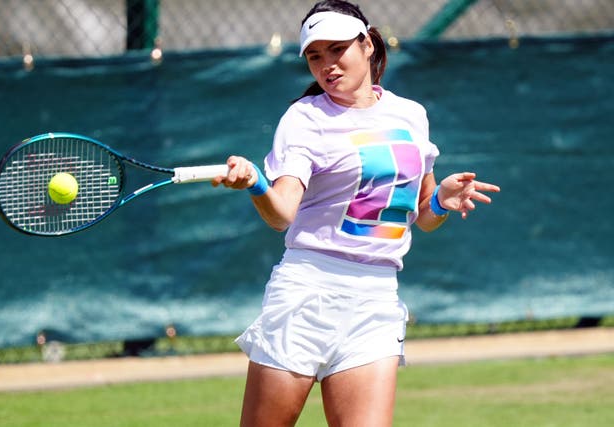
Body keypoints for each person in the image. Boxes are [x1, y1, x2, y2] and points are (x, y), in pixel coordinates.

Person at [212, 1, 501, 425]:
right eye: (315, 55)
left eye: (337, 49)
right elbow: (281, 214)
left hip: (376, 301)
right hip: (307, 294)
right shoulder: (303, 119)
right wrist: (257, 183)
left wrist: (440, 200)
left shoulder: (411, 116)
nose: (327, 65)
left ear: (367, 44)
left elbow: (422, 216)